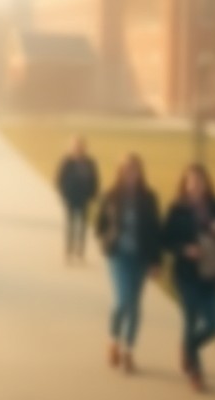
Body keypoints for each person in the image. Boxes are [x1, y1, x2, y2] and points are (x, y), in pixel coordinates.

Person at [160, 163, 215, 394]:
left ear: (207, 183)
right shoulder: (177, 208)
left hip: (214, 274)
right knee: (191, 320)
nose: (195, 186)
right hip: (186, 275)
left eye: (199, 181)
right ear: (184, 185)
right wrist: (185, 250)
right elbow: (165, 240)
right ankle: (196, 372)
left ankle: (189, 347)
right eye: (190, 182)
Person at [93, 153, 163, 375]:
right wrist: (106, 240)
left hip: (141, 257)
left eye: (134, 170)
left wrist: (156, 261)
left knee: (135, 306)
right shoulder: (111, 195)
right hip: (119, 256)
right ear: (120, 172)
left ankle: (129, 351)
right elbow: (99, 224)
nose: (130, 174)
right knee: (123, 301)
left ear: (140, 172)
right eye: (126, 170)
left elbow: (155, 231)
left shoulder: (149, 197)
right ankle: (114, 340)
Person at [56, 135, 100, 264]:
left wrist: (93, 194)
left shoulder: (90, 162)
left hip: (84, 198)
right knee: (70, 224)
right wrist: (63, 193)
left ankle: (80, 252)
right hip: (70, 197)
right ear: (72, 148)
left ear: (84, 148)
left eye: (80, 146)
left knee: (82, 225)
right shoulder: (67, 161)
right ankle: (68, 251)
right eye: (75, 146)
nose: (78, 149)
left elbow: (95, 179)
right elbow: (59, 179)